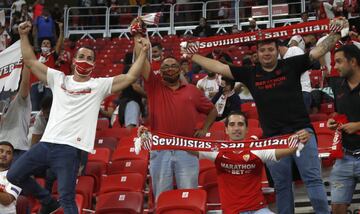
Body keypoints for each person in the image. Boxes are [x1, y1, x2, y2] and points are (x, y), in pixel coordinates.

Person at [182, 18, 349, 214]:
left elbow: (318, 51)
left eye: (270, 49)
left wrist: (337, 32)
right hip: (273, 139)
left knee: (313, 180)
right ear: (257, 54)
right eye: (262, 50)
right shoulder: (250, 73)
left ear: (277, 50)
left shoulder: (292, 65)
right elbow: (218, 67)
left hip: (302, 132)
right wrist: (193, 57)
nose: (267, 53)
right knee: (282, 186)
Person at [7, 20, 150, 214]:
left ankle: (52, 203)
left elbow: (129, 78)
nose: (84, 60)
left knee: (67, 198)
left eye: (89, 58)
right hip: (46, 144)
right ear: (74, 60)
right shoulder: (58, 78)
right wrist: (24, 36)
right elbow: (31, 62)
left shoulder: (98, 85)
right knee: (14, 174)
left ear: (94, 63)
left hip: (70, 149)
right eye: (81, 56)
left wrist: (142, 53)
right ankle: (48, 202)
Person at [132, 27, 218, 200]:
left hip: (187, 151)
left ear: (180, 69)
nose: (169, 69)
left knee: (189, 197)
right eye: (165, 66)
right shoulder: (154, 86)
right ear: (160, 71)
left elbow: (213, 110)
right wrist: (137, 35)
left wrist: (204, 129)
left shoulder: (193, 91)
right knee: (162, 198)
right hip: (160, 150)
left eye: (173, 66)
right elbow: (142, 63)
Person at [326, 44, 360, 214]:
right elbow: (340, 114)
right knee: (337, 208)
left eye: (339, 61)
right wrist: (333, 121)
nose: (335, 66)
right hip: (345, 156)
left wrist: (358, 126)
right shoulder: (338, 86)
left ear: (353, 61)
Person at [0, 65, 31, 163]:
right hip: (3, 148)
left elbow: (25, 82)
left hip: (17, 149)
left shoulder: (22, 98)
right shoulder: (5, 103)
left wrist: (26, 64)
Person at [0, 141, 22, 214]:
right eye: (1, 151)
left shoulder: (16, 175)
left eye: (8, 153)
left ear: (13, 158)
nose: (4, 154)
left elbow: (7, 200)